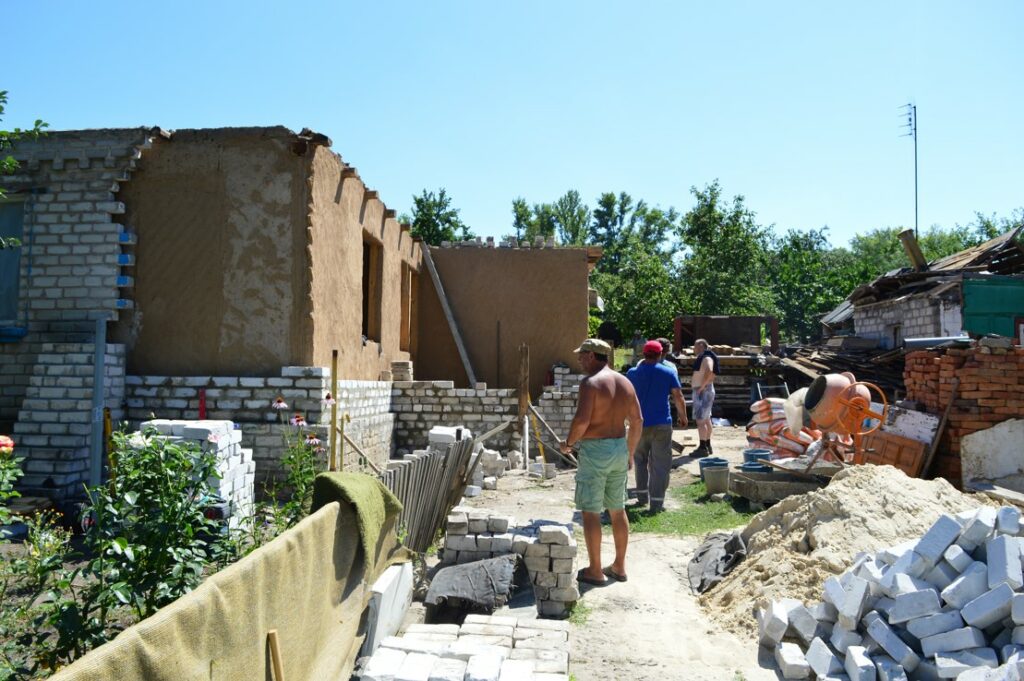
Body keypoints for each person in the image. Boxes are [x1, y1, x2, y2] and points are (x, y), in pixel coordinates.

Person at [561, 338, 643, 585]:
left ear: (593, 356)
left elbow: (582, 421)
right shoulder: (625, 382)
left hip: (595, 450)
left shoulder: (591, 383)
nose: (579, 359)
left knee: (591, 512)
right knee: (618, 510)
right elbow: (637, 420)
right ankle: (619, 566)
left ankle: (595, 570)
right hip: (619, 447)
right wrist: (629, 453)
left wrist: (569, 443)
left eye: (582, 355)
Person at [627, 340, 687, 513]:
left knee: (640, 461)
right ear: (661, 354)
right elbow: (678, 395)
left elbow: (626, 397)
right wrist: (683, 417)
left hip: (638, 424)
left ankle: (641, 497)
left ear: (643, 354)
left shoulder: (632, 373)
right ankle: (657, 503)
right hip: (662, 424)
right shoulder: (668, 372)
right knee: (660, 464)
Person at [690, 338, 719, 458]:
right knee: (706, 419)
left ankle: (702, 448)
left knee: (700, 420)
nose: (694, 348)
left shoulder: (707, 357)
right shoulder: (706, 356)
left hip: (702, 391)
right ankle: (707, 445)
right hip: (704, 390)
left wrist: (702, 386)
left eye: (695, 346)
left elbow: (709, 370)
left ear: (702, 346)